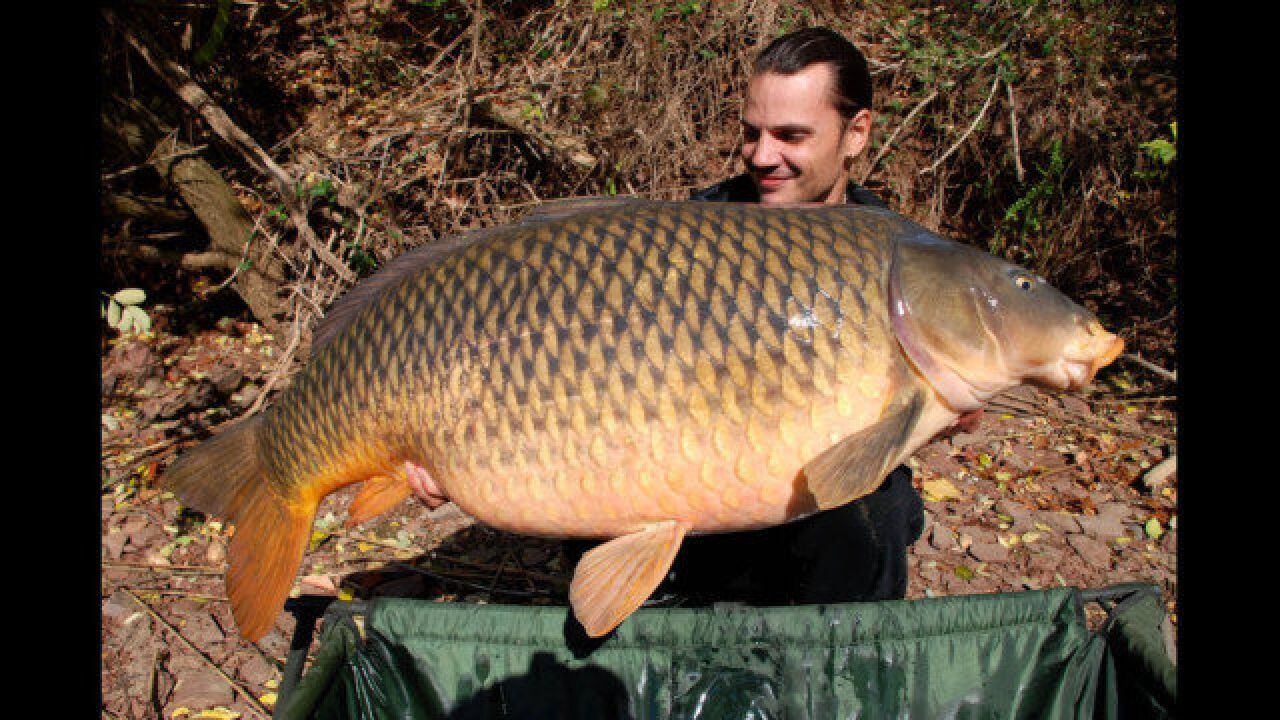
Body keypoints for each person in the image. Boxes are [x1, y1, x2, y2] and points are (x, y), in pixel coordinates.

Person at [409, 27, 926, 608]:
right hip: (665, 481)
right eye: (751, 134)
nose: (762, 156)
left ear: (856, 133)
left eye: (790, 136)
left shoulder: (901, 258)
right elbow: (558, 367)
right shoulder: (685, 232)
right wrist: (449, 442)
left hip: (810, 514)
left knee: (874, 509)